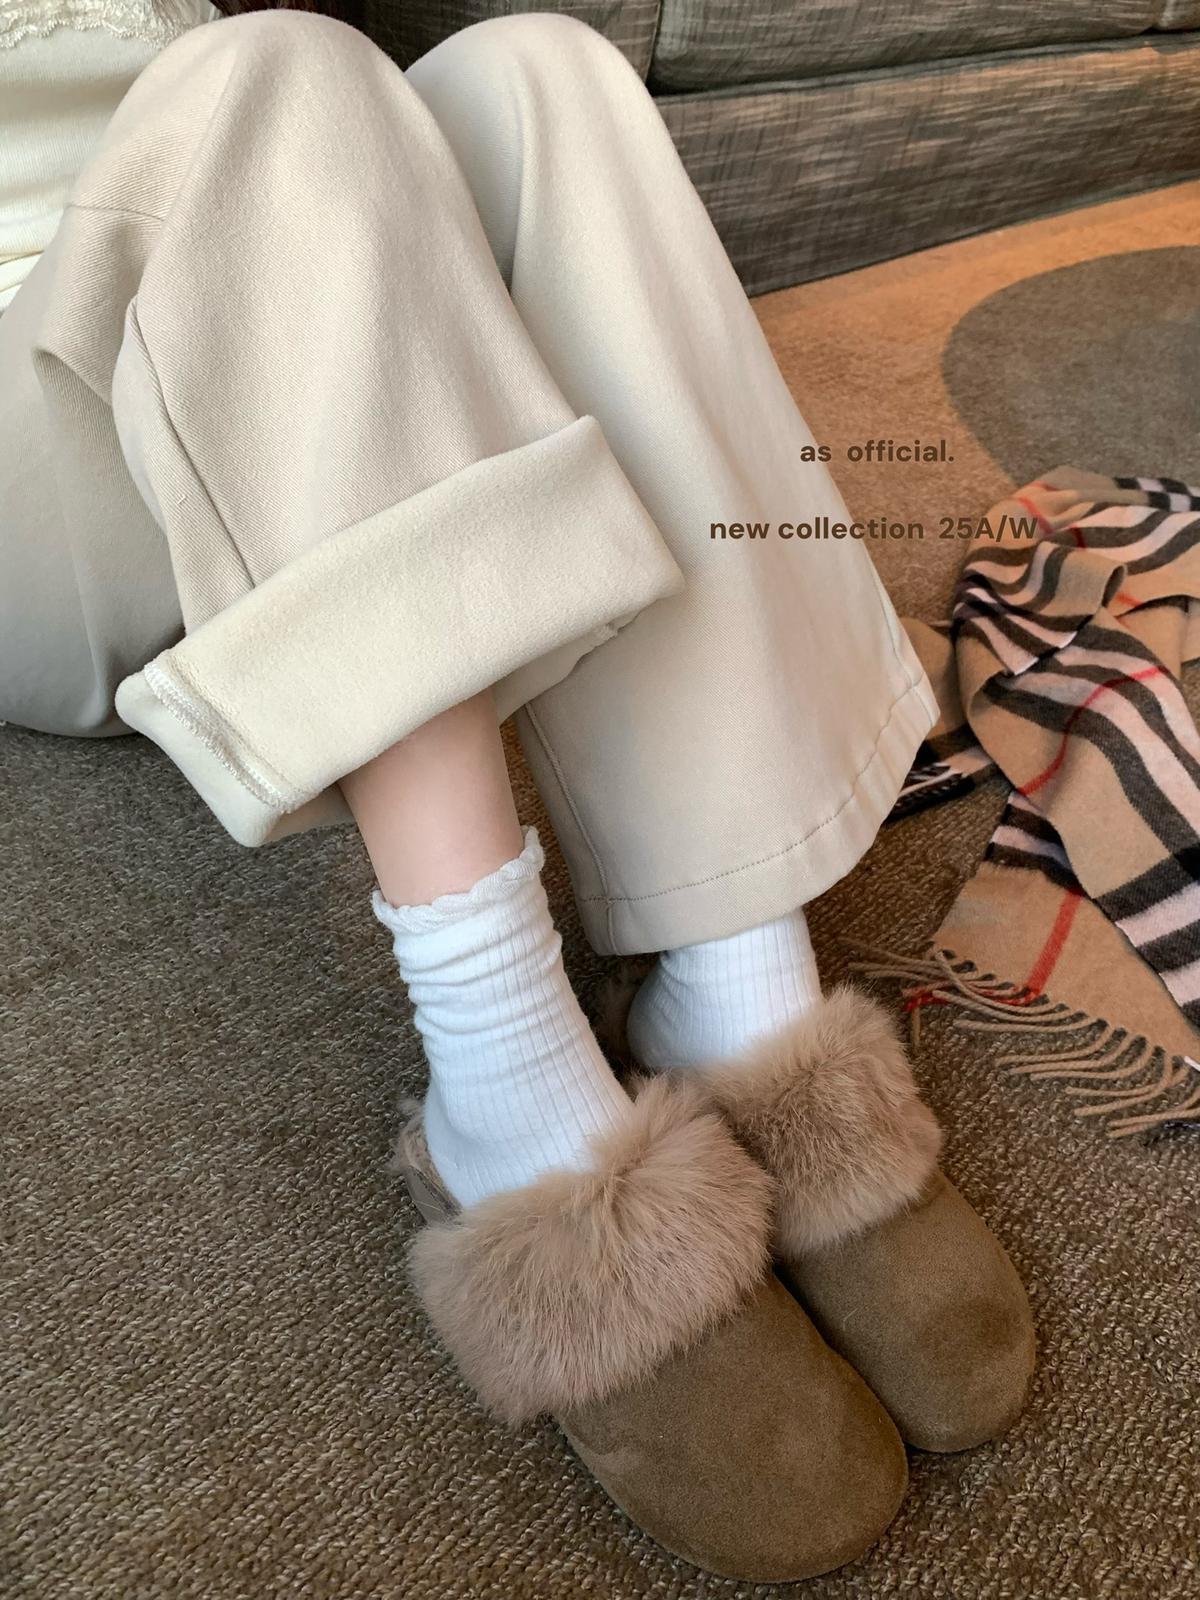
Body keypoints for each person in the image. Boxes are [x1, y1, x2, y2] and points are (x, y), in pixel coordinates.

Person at [0, 1, 1035, 1582]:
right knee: (268, 79)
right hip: (41, 455)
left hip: (239, 318)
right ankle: (508, 1092)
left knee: (538, 75)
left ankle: (738, 983)